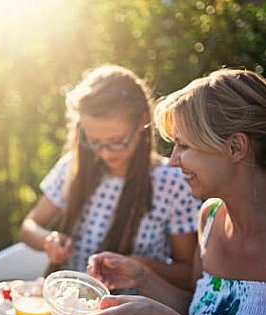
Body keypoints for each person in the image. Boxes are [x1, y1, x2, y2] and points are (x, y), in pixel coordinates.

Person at [67, 68, 266, 315]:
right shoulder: (211, 218)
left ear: (235, 147)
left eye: (184, 145)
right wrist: (141, 275)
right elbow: (199, 312)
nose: (173, 161)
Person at [20, 65, 201, 289]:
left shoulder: (172, 183)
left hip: (131, 313)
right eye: (94, 141)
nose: (105, 153)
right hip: (66, 303)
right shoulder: (73, 167)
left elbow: (189, 274)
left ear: (143, 122)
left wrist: (139, 266)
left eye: (117, 141)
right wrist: (49, 241)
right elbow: (29, 226)